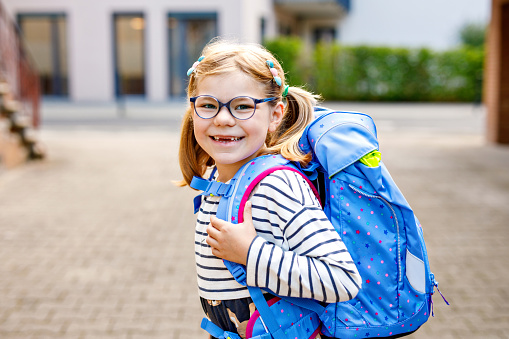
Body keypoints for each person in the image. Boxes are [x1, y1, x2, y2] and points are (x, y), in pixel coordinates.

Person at [178, 39, 362, 338]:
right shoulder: (217, 180)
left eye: (242, 107)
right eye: (208, 105)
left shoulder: (276, 185)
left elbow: (341, 278)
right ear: (193, 109)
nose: (223, 119)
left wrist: (250, 253)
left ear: (275, 115)